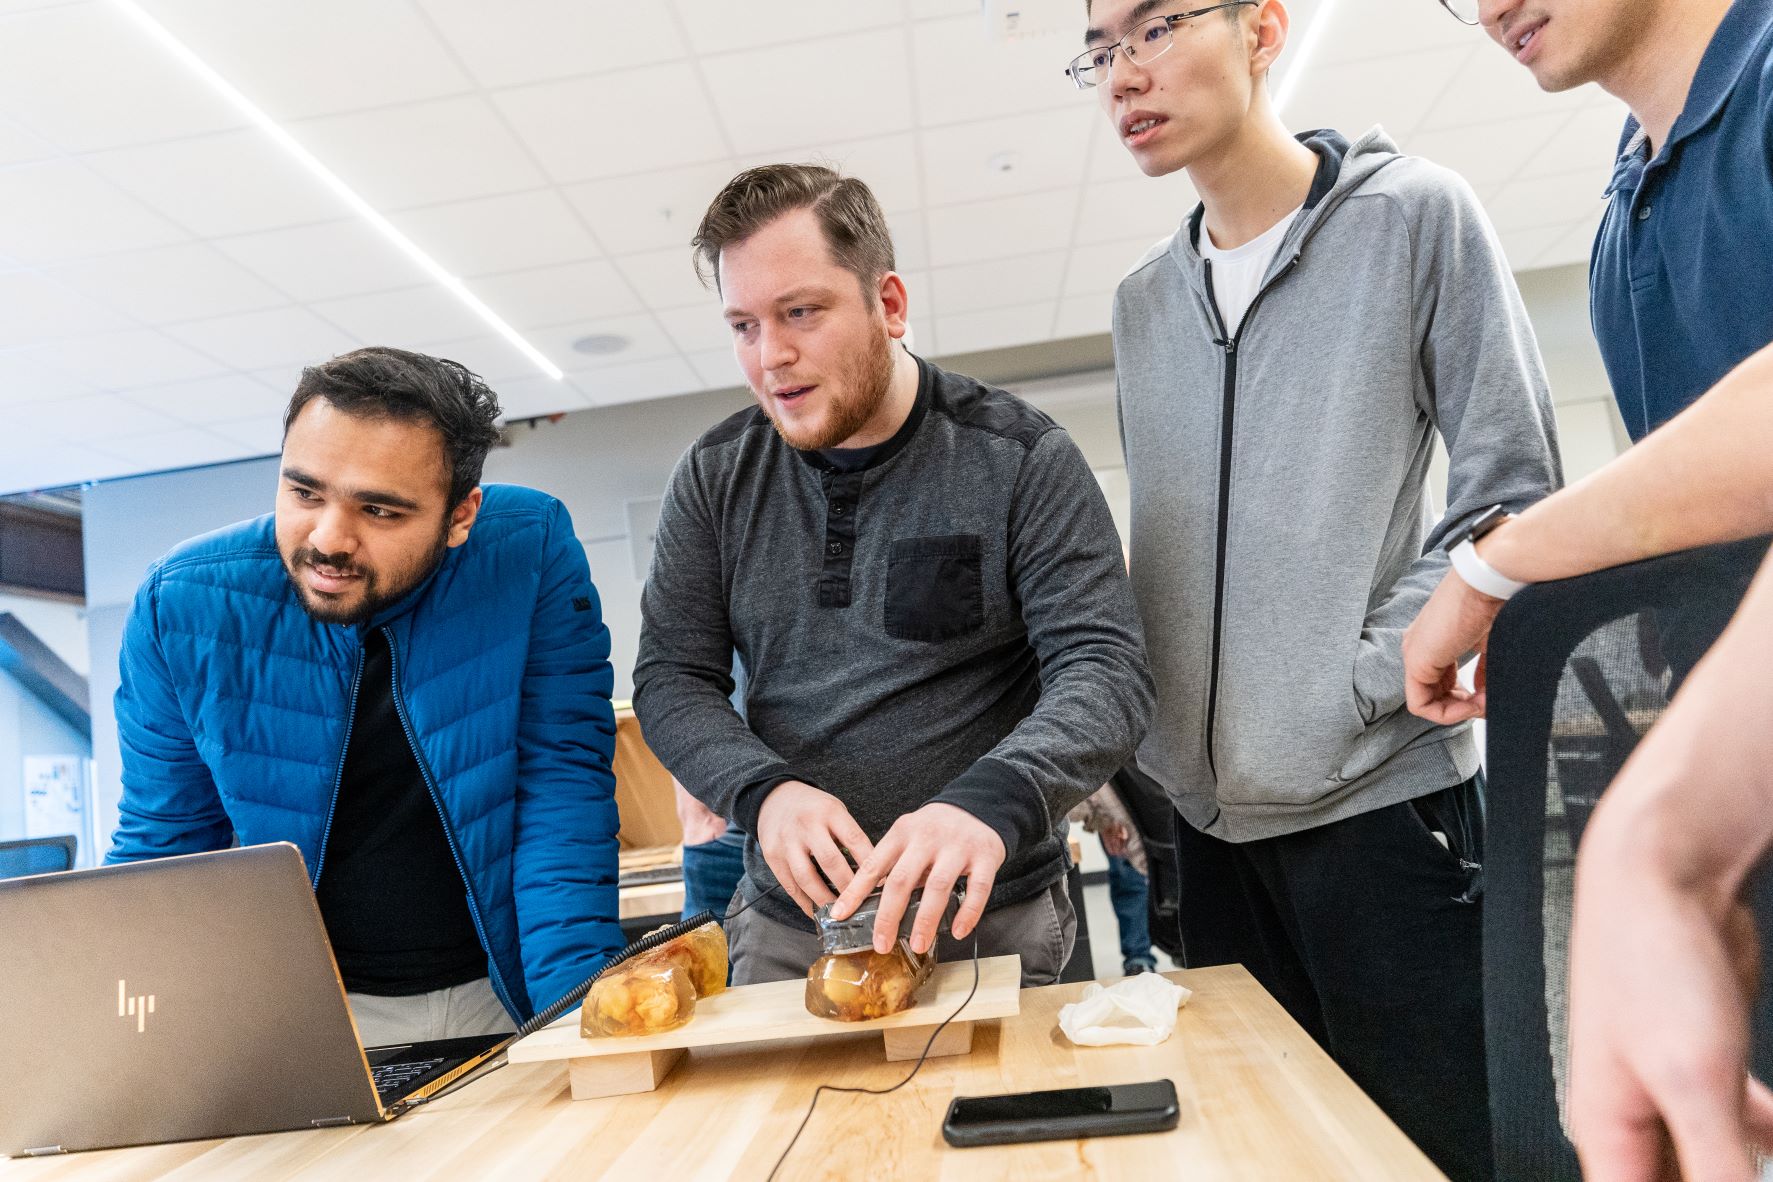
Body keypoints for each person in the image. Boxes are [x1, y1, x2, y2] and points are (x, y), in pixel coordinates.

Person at [1076, 1, 1563, 1176]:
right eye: (1099, 50)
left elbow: (1514, 488)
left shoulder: (1413, 217)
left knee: (1452, 1155)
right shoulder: (1143, 302)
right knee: (1277, 1160)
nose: (1121, 75)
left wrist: (1360, 673)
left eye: (1152, 29)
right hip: (1209, 833)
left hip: (1378, 813)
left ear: (1262, 29)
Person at [633, 163, 1153, 987]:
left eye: (800, 312)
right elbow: (670, 677)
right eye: (743, 325)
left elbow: (1106, 670)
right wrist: (762, 793)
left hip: (989, 920)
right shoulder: (716, 476)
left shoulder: (1021, 460)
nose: (772, 356)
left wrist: (992, 800)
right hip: (791, 927)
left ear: (890, 304)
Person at [106, 347, 623, 1046]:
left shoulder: (527, 551)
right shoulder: (183, 604)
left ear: (460, 515)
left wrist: (576, 1013)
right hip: (316, 1014)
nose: (328, 539)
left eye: (378, 510)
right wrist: (129, 1042)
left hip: (504, 985)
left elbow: (558, 784)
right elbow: (168, 854)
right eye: (304, 493)